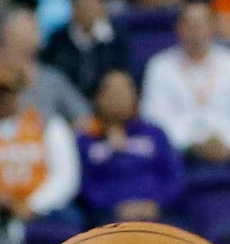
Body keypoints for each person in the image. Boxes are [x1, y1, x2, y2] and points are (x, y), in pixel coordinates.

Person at [140, 1, 230, 164]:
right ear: (178, 28)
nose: (195, 30)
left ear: (213, 28)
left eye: (201, 24)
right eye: (189, 24)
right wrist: (192, 143)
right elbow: (154, 116)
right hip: (180, 155)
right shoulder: (160, 66)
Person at [0, 65, 78, 224]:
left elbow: (65, 177)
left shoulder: (46, 124)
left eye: (7, 92)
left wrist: (33, 205)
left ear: (19, 93)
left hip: (42, 211)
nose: (2, 99)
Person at [77, 69, 183, 225]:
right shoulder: (86, 140)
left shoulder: (155, 133)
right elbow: (85, 186)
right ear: (98, 98)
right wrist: (115, 208)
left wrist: (155, 204)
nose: (121, 99)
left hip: (157, 215)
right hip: (108, 220)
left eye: (126, 91)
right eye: (113, 93)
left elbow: (174, 178)